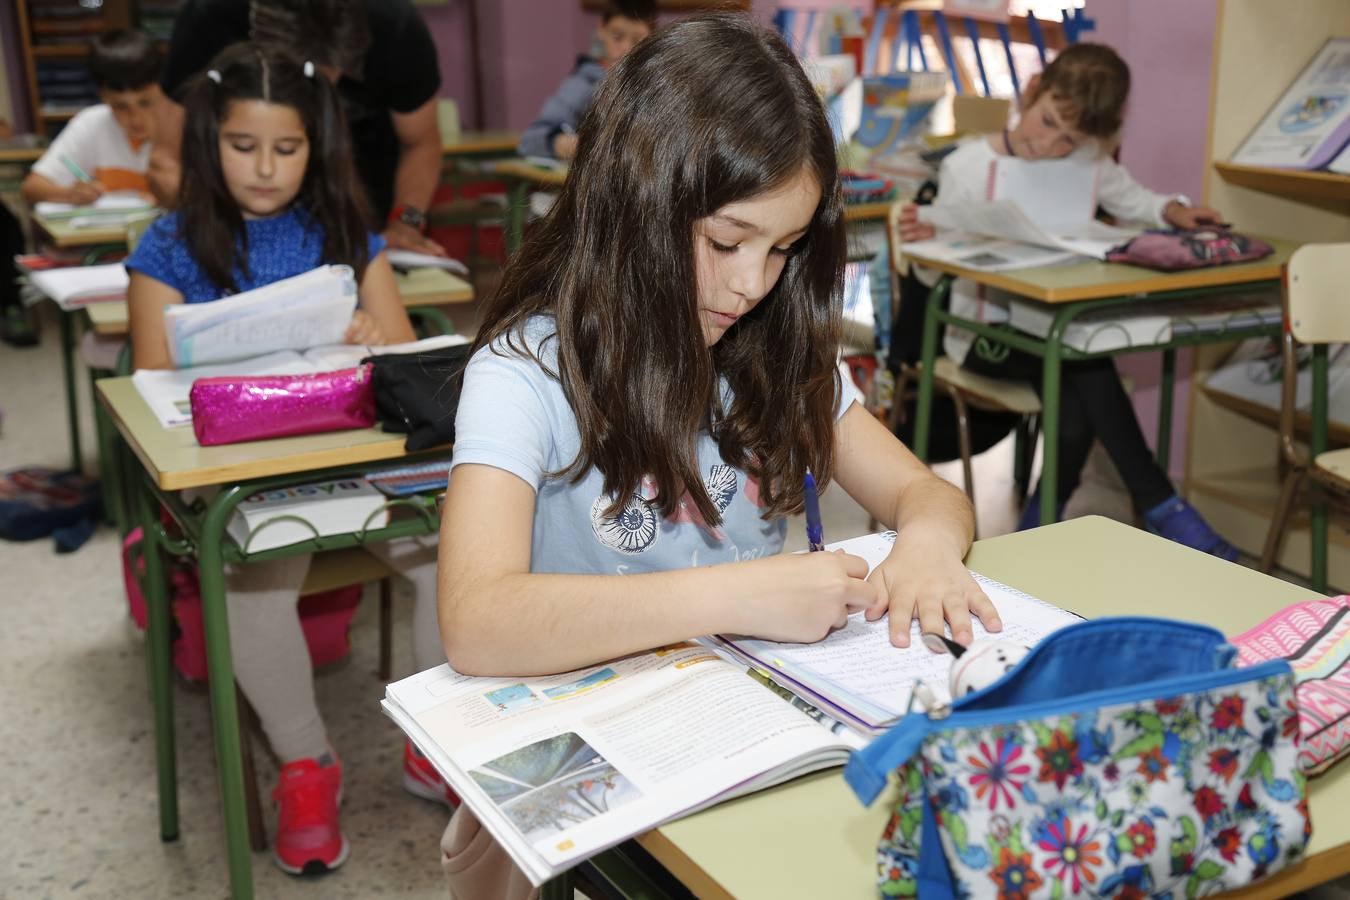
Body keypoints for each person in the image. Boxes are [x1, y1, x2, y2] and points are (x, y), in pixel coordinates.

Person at [435, 15, 999, 893]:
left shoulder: (774, 350)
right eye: (727, 242)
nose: (753, 282)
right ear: (636, 204)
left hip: (744, 732)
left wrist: (925, 544)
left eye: (783, 249)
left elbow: (927, 495)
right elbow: (475, 620)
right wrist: (739, 593)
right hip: (596, 733)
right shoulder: (527, 370)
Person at [124, 43, 450, 875]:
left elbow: (406, 360)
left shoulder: (344, 234)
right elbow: (150, 383)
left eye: (288, 148)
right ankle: (306, 763)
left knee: (448, 551)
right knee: (251, 576)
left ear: (319, 148)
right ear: (209, 144)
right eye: (243, 147)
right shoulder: (168, 246)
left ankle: (430, 738)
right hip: (243, 483)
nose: (266, 169)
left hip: (349, 465)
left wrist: (374, 337)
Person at [898, 42, 1238, 560]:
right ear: (1031, 92)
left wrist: (1173, 211)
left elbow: (1136, 200)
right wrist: (923, 242)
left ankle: (1047, 521)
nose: (1052, 143)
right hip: (983, 336)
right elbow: (933, 270)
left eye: (1070, 138)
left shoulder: (1087, 161)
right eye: (1049, 120)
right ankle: (1158, 504)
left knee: (1077, 382)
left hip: (1053, 329)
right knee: (1084, 362)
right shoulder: (968, 164)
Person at [149, 0, 446, 256]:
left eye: (324, 81)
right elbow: (166, 161)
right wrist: (215, 236)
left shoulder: (395, 25)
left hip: (363, 220)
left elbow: (420, 143)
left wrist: (404, 223)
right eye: (244, 145)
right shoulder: (211, 17)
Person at [21, 29, 162, 205]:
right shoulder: (91, 123)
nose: (135, 118)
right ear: (103, 97)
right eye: (120, 106)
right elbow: (32, 187)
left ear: (162, 90)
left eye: (145, 103)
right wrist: (69, 194)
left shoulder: (183, 124)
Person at [517, 0, 656, 161]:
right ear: (601, 30)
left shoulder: (656, 83)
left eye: (637, 41)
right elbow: (531, 139)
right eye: (617, 37)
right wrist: (564, 144)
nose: (626, 48)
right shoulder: (584, 83)